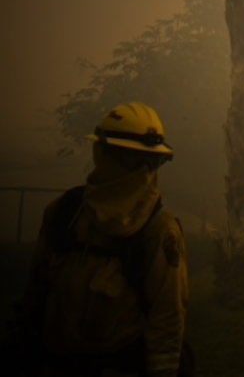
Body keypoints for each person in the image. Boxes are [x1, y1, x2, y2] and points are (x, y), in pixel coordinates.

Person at [7, 102, 189, 377]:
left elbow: (167, 321)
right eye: (131, 158)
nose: (144, 171)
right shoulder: (64, 213)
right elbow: (35, 292)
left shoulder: (160, 231)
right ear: (102, 155)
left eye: (152, 162)